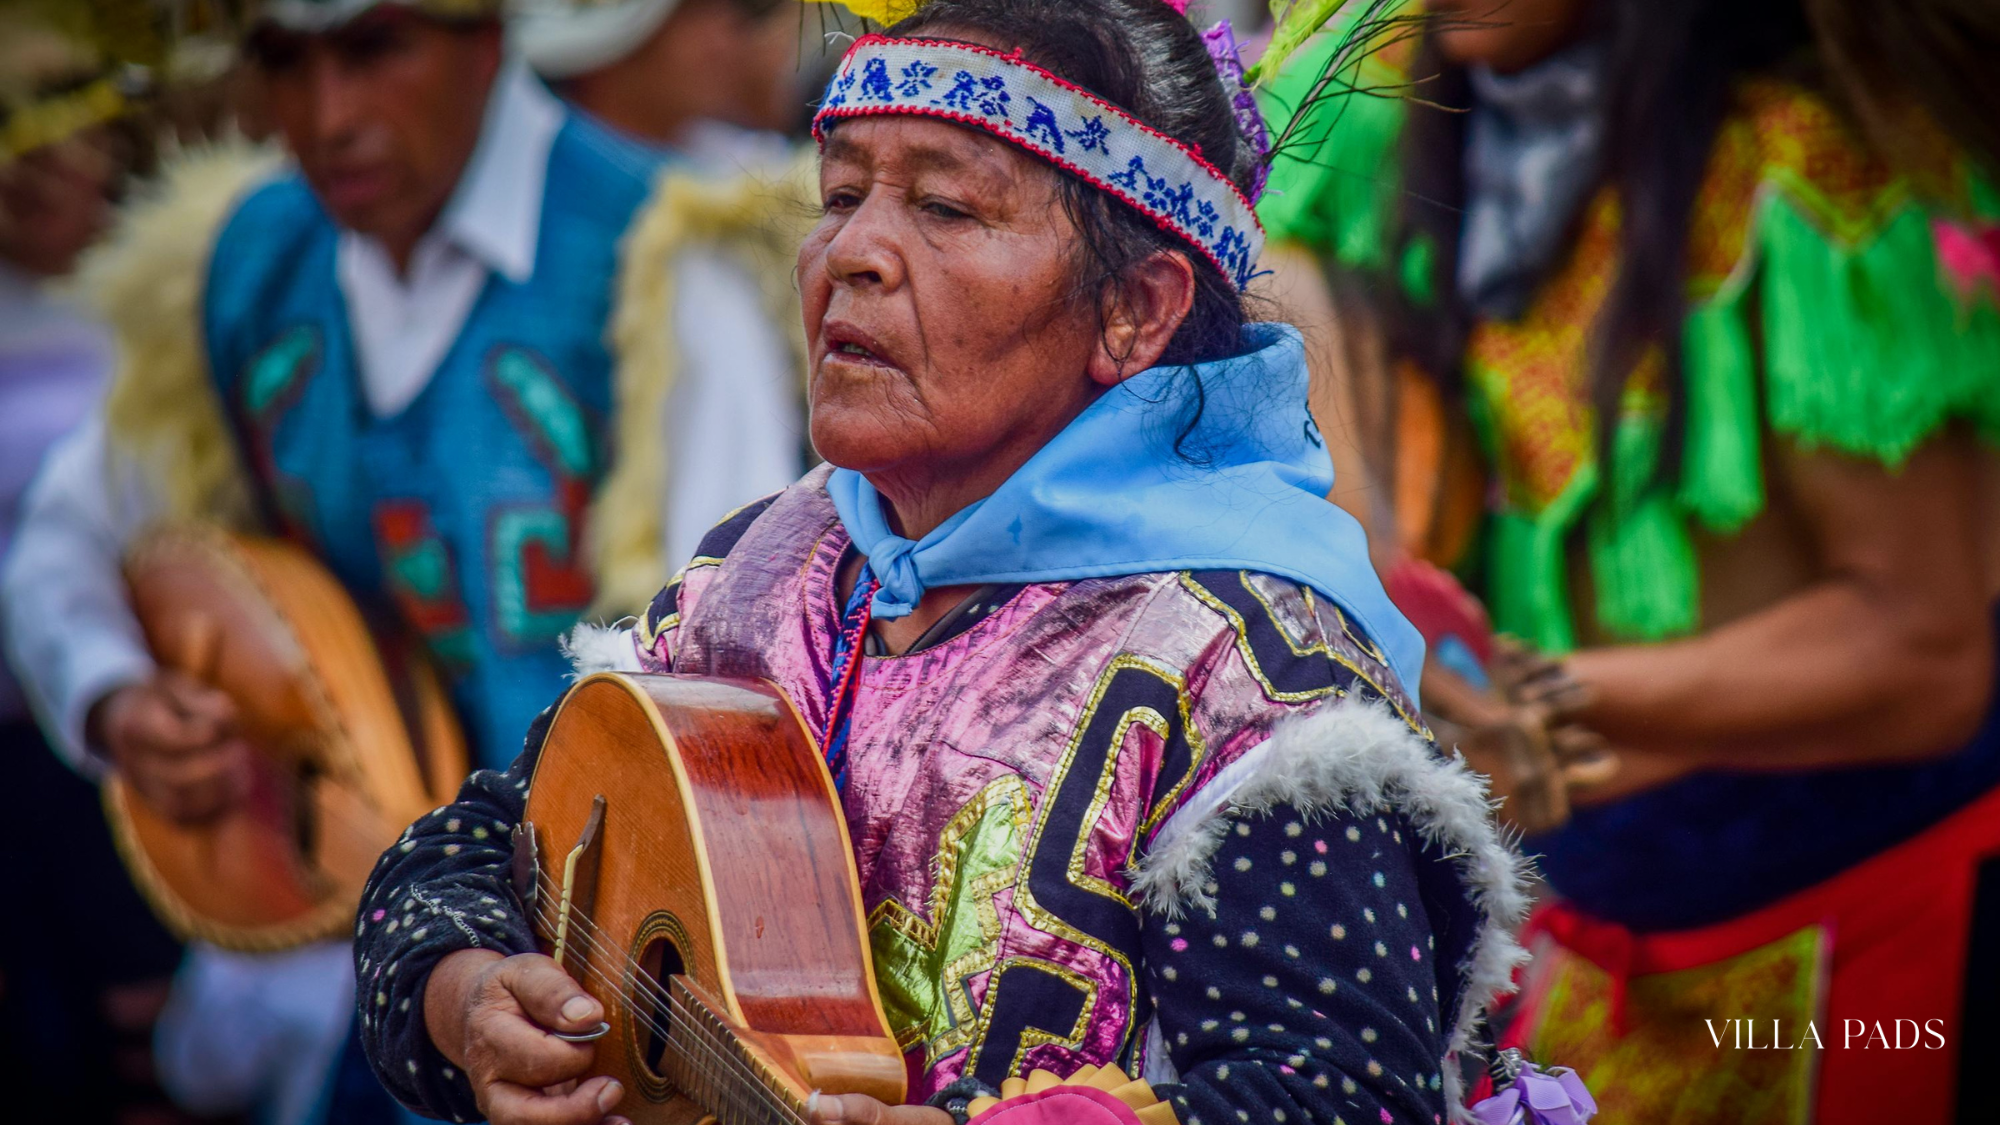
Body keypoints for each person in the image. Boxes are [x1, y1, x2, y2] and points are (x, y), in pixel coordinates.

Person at [353, 2, 1539, 1125]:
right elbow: (474, 850)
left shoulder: (1245, 685)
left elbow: (1335, 1095)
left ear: (1134, 308)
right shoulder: (767, 572)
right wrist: (468, 1001)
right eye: (840, 194)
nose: (850, 253)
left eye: (947, 211)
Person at [0, 0, 805, 1119]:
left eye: (376, 49)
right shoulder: (244, 263)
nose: (328, 116)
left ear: (484, 38)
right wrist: (120, 699)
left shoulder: (656, 262)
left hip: (579, 985)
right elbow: (63, 540)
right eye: (284, 62)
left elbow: (727, 671)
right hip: (343, 960)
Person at [1259, 0, 2000, 1119]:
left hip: (1871, 935)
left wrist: (1512, 703)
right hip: (1583, 939)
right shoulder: (1383, 115)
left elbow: (1924, 655)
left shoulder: (1812, 168)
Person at [512, 0, 806, 165]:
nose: (722, 40)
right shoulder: (537, 176)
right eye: (692, 15)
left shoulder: (752, 174)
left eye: (725, 12)